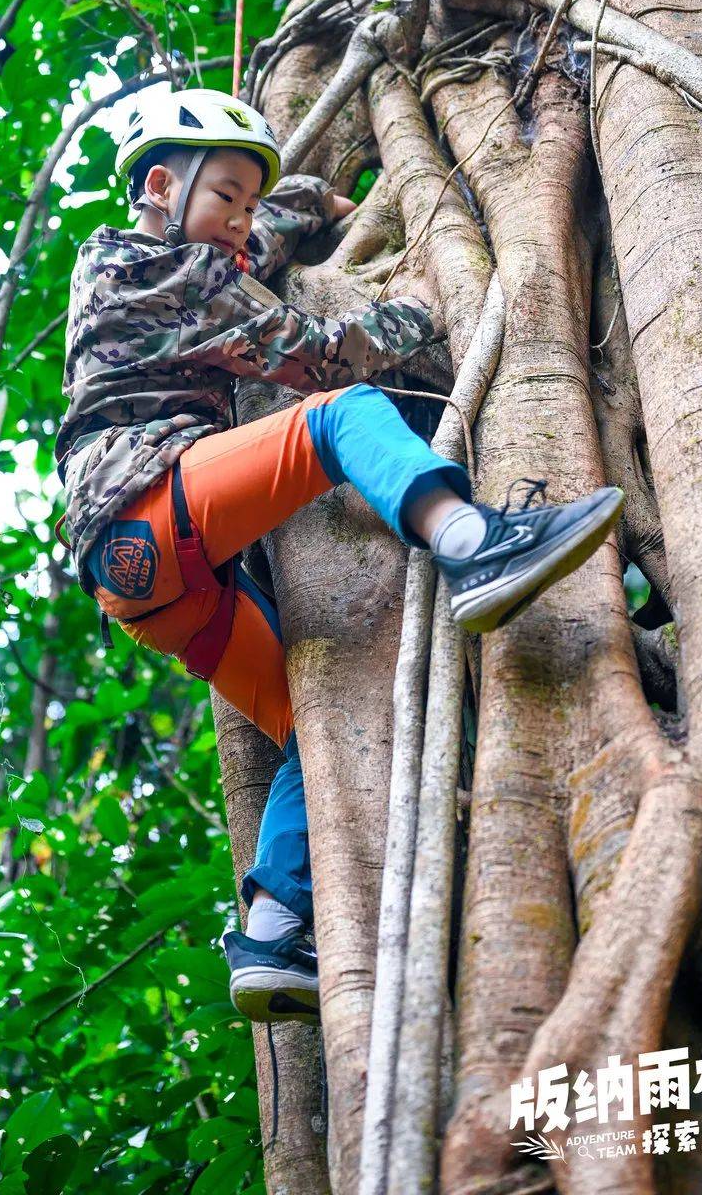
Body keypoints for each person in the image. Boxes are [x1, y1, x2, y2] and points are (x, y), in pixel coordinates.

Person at [55, 86, 623, 1026]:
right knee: (342, 417)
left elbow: (269, 226)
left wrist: (317, 202)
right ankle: (472, 543)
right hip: (150, 507)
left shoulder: (178, 255)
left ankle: (272, 936)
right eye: (225, 198)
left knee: (304, 733)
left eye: (247, 206)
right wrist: (433, 297)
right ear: (159, 185)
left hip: (143, 586)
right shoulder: (161, 269)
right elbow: (321, 351)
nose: (241, 223)